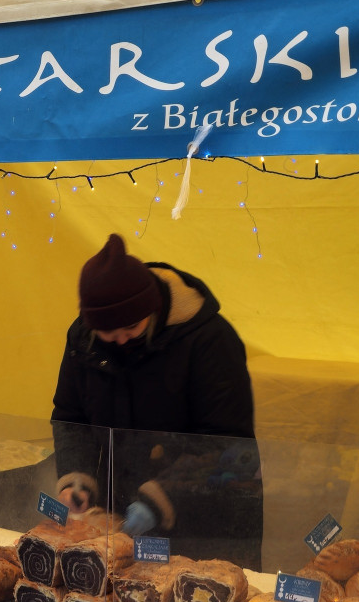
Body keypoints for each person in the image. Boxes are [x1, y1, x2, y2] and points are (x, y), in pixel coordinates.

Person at [51, 233, 262, 569]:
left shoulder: (209, 341)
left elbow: (229, 445)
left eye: (131, 326)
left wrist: (162, 497)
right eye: (108, 332)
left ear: (150, 307)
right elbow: (70, 416)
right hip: (121, 515)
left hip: (203, 523)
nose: (120, 339)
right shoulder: (84, 337)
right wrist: (77, 479)